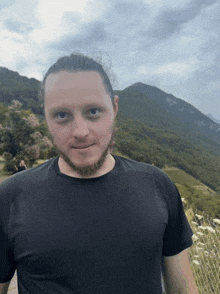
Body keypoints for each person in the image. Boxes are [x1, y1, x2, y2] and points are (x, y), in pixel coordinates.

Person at [0, 54, 198, 294]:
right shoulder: (11, 196)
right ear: (46, 116)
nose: (80, 131)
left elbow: (183, 289)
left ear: (114, 108)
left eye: (93, 111)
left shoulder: (158, 185)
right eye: (62, 115)